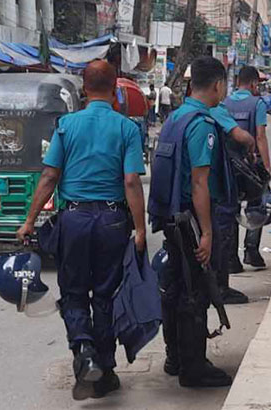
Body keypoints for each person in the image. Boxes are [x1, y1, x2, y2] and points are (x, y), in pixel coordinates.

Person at [17, 60, 146, 400]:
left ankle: (84, 352)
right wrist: (141, 229)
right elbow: (131, 181)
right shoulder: (127, 129)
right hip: (113, 221)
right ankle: (105, 371)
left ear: (84, 89)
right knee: (105, 295)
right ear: (115, 88)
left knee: (74, 293)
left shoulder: (66, 126)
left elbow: (49, 177)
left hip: (73, 220)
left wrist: (29, 221)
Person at [148, 56, 234, 388]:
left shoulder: (175, 118)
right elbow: (200, 182)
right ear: (217, 84)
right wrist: (208, 231)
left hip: (172, 215)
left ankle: (175, 356)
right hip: (191, 219)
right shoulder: (201, 123)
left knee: (175, 288)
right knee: (195, 291)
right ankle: (193, 367)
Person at [203, 93, 256, 305]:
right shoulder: (216, 110)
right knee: (222, 235)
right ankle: (220, 288)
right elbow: (243, 136)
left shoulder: (183, 114)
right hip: (218, 187)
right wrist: (251, 147)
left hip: (197, 188)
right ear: (217, 85)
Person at [224, 66, 270, 271]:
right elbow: (260, 136)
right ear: (252, 84)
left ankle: (232, 258)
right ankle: (251, 251)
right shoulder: (257, 104)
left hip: (229, 165)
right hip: (251, 165)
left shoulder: (224, 103)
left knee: (231, 207)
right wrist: (267, 167)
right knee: (255, 205)